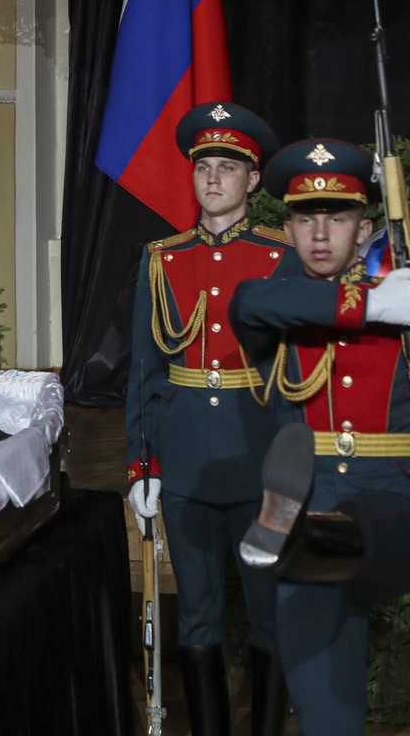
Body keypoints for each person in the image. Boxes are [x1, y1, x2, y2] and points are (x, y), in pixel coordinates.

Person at [231, 139, 410, 736]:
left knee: (350, 528)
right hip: (307, 519)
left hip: (402, 503)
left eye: (336, 217)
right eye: (306, 218)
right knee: (325, 718)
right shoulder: (272, 307)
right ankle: (300, 529)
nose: (319, 233)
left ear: (364, 228)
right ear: (286, 230)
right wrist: (367, 304)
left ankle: (301, 528)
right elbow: (250, 299)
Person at [124, 102, 291, 736]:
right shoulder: (162, 259)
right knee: (196, 615)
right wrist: (143, 462)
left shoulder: (279, 257)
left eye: (228, 167)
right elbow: (145, 370)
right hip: (188, 462)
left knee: (269, 612)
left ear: (252, 180)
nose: (213, 179)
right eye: (204, 167)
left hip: (262, 462)